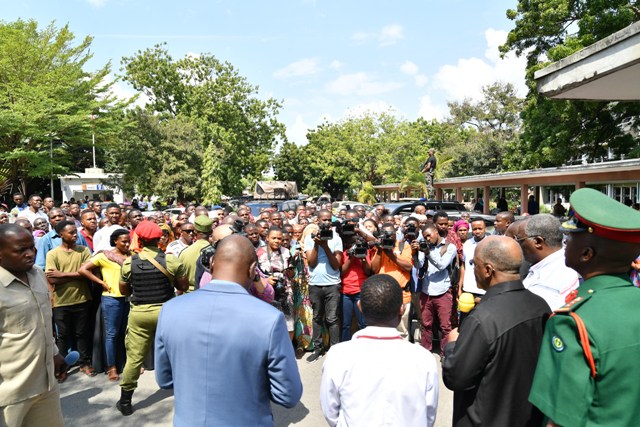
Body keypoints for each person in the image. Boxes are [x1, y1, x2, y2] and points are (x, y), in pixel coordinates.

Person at [155, 234, 302, 426]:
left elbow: (165, 380)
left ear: (212, 263)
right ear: (253, 270)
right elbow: (288, 395)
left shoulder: (170, 309)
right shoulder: (270, 319)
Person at [529, 188, 640, 426]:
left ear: (587, 254)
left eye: (570, 238)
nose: (564, 244)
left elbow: (560, 420)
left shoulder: (571, 322)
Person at [442, 236, 550, 426]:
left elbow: (456, 378)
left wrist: (452, 345)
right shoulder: (540, 305)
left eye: (474, 264)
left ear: (488, 270)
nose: (472, 269)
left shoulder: (482, 319)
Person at [320, 274, 439, 427]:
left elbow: (330, 412)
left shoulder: (337, 356)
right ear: (401, 309)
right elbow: (429, 416)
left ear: (360, 306)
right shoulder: (424, 359)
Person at [116, 221, 188, 416]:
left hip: (140, 314)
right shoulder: (170, 260)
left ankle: (125, 401)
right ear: (159, 239)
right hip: (167, 312)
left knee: (134, 358)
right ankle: (186, 392)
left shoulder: (130, 262)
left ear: (138, 240)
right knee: (178, 354)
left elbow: (124, 290)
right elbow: (183, 286)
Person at [0, 224, 65, 427]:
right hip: (10, 394)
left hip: (46, 384)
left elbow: (43, 320)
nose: (30, 254)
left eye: (32, 247)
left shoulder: (37, 273)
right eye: (21, 250)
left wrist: (54, 353)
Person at [79, 229, 132, 382]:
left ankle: (129, 363)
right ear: (115, 241)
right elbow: (83, 269)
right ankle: (111, 366)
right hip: (111, 299)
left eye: (128, 241)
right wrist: (101, 282)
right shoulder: (104, 256)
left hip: (128, 298)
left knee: (127, 332)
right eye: (124, 241)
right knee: (112, 334)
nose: (127, 244)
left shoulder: (131, 256)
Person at [45, 221, 95, 376]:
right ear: (61, 234)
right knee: (63, 336)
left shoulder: (83, 250)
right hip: (61, 301)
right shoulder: (53, 254)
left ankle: (84, 362)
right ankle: (63, 366)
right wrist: (78, 274)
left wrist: (63, 275)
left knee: (82, 333)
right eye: (71, 232)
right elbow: (52, 279)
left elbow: (88, 274)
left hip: (82, 299)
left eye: (76, 232)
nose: (75, 235)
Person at [517, 214, 580, 310]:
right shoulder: (557, 264)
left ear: (538, 242)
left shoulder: (548, 284)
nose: (517, 245)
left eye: (519, 240)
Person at [304, 209, 343, 363]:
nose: (326, 222)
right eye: (323, 220)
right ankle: (318, 349)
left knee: (332, 318)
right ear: (317, 220)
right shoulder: (310, 237)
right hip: (315, 284)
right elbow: (311, 262)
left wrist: (325, 246)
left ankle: (335, 349)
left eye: (328, 220)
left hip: (332, 284)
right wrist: (316, 244)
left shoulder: (336, 238)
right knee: (317, 318)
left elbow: (336, 265)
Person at [413, 222, 457, 353]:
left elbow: (442, 265)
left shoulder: (449, 247)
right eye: (425, 237)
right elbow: (419, 266)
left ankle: (446, 352)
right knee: (426, 324)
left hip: (442, 291)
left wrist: (427, 252)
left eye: (429, 235)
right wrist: (415, 253)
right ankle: (425, 351)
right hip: (426, 291)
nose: (427, 238)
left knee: (445, 326)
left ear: (436, 232)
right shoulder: (425, 246)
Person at [370, 222, 414, 339]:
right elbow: (374, 269)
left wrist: (391, 254)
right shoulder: (379, 247)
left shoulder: (403, 246)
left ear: (395, 233)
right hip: (382, 295)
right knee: (382, 329)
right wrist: (380, 250)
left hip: (402, 294)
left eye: (391, 233)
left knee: (402, 331)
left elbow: (408, 267)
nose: (389, 236)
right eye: (385, 234)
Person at [257, 226, 294, 338]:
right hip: (266, 292)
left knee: (289, 324)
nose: (277, 241)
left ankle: (288, 347)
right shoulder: (258, 253)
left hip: (285, 292)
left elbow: (292, 274)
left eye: (279, 238)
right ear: (267, 238)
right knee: (268, 325)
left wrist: (291, 272)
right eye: (274, 238)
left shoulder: (286, 252)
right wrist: (266, 280)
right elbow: (255, 273)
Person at [178, 215, 213, 292]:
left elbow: (180, 278)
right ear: (211, 232)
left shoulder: (184, 252)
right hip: (209, 293)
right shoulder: (216, 252)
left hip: (188, 294)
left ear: (195, 231)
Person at [458, 218, 488, 300]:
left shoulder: (490, 243)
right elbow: (464, 266)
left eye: (480, 228)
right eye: (475, 229)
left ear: (485, 228)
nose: (477, 231)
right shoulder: (467, 244)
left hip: (484, 291)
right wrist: (460, 287)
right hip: (468, 289)